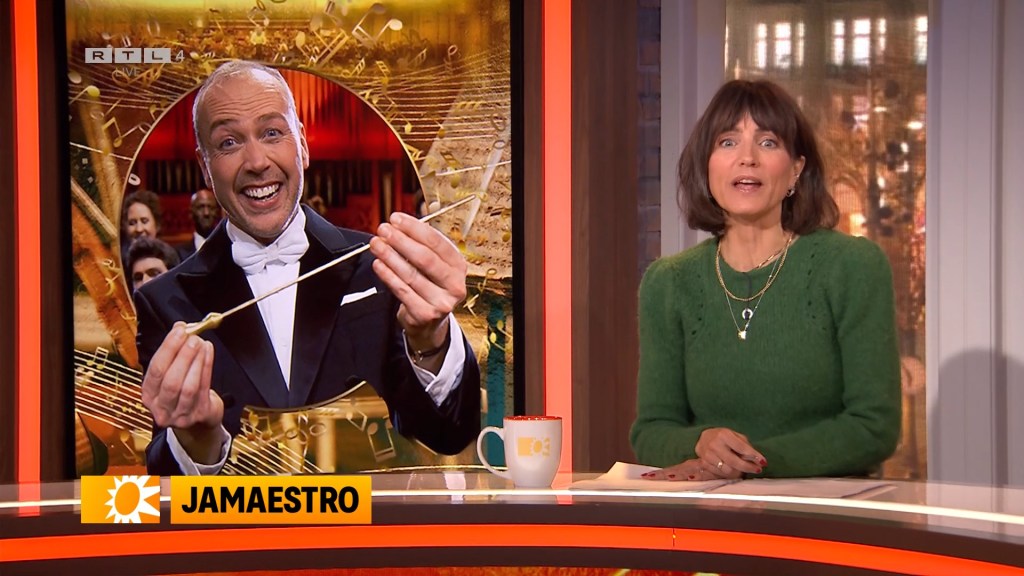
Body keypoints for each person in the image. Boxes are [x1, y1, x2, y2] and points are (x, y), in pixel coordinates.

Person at [135, 60, 480, 475]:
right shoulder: (164, 302)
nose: (257, 161)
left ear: (302, 144)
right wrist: (196, 439)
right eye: (228, 142)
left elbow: (449, 435)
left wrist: (432, 342)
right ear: (205, 166)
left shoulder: (382, 268)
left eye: (271, 133)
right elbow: (158, 484)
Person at [631, 80, 901, 480]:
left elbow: (874, 426)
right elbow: (651, 431)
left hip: (824, 509)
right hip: (709, 510)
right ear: (707, 166)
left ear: (796, 170)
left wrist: (751, 462)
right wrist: (700, 443)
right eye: (727, 142)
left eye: (768, 142)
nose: (747, 158)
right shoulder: (668, 283)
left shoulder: (852, 267)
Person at [176, 187, 221, 261]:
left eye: (211, 207)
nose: (206, 213)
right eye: (201, 207)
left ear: (217, 213)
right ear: (191, 213)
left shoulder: (228, 248)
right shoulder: (179, 253)